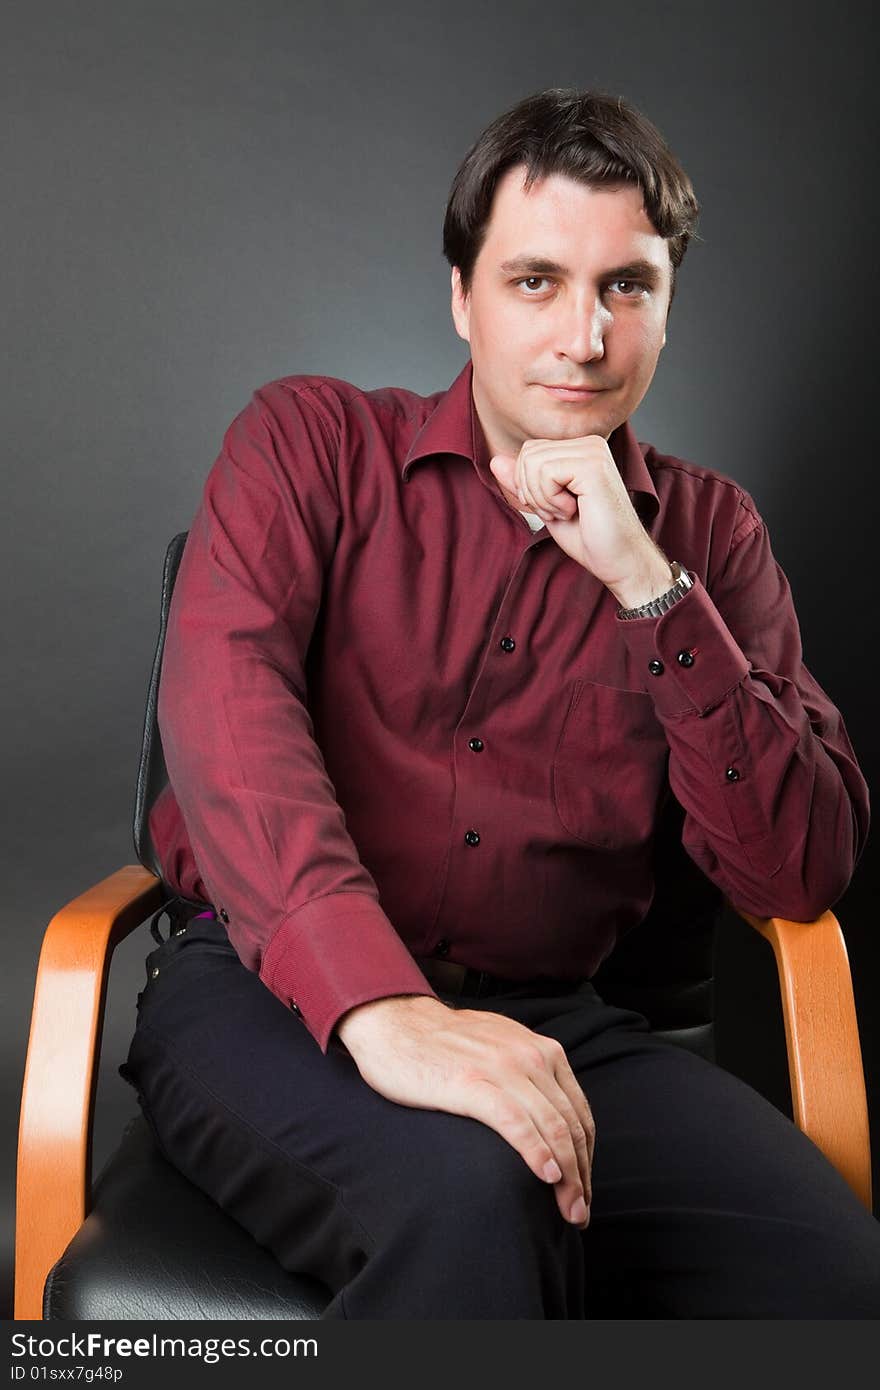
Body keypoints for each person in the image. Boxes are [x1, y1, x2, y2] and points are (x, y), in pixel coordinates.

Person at [121, 87, 879, 1318]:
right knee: (475, 1192)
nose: (583, 335)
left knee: (840, 1278)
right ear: (460, 296)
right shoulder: (309, 445)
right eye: (535, 281)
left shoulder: (711, 537)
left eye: (624, 287)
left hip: (553, 1024)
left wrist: (650, 585)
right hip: (267, 994)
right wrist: (382, 1005)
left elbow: (795, 873)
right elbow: (228, 722)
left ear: (666, 308)